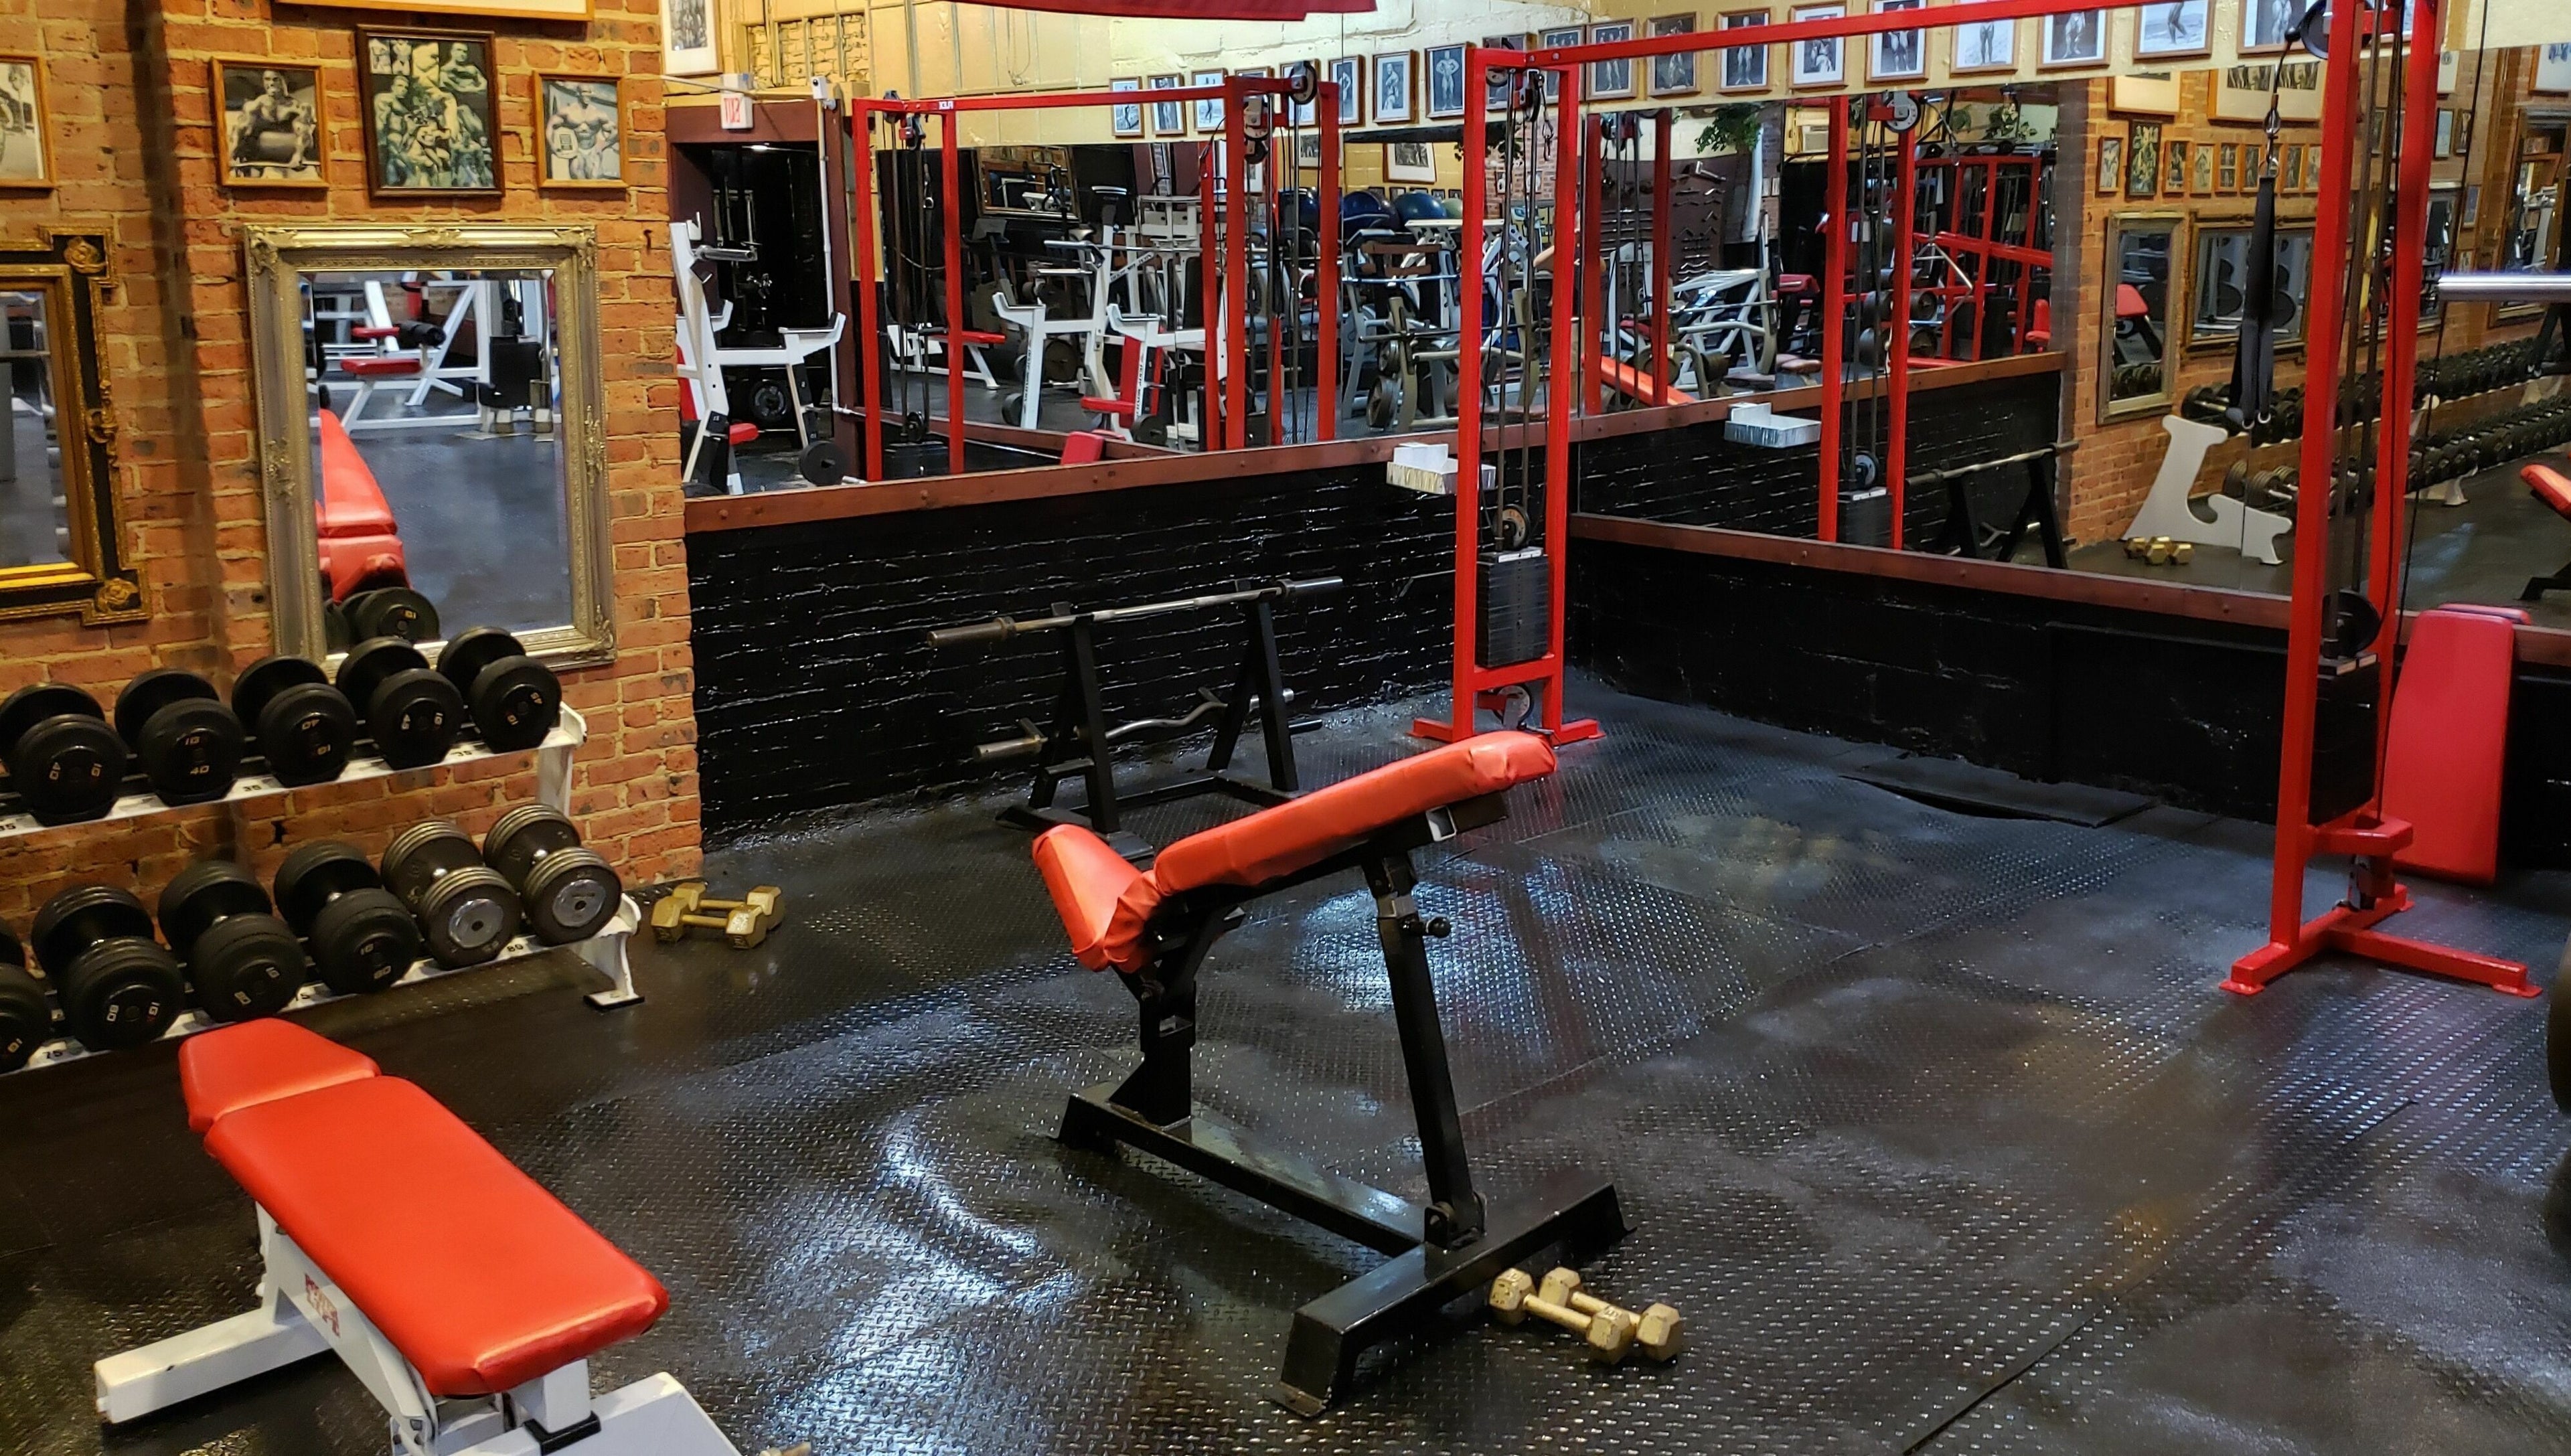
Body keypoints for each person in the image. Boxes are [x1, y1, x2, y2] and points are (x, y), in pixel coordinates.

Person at [232, 69, 316, 173]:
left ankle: (297, 157)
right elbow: (241, 128)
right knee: (242, 124)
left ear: (283, 82)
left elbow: (305, 131)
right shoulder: (257, 104)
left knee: (303, 125)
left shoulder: (295, 106)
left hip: (288, 143)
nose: (271, 83)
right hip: (258, 148)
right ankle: (233, 156)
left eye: (276, 80)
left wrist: (298, 156)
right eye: (267, 80)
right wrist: (232, 155)